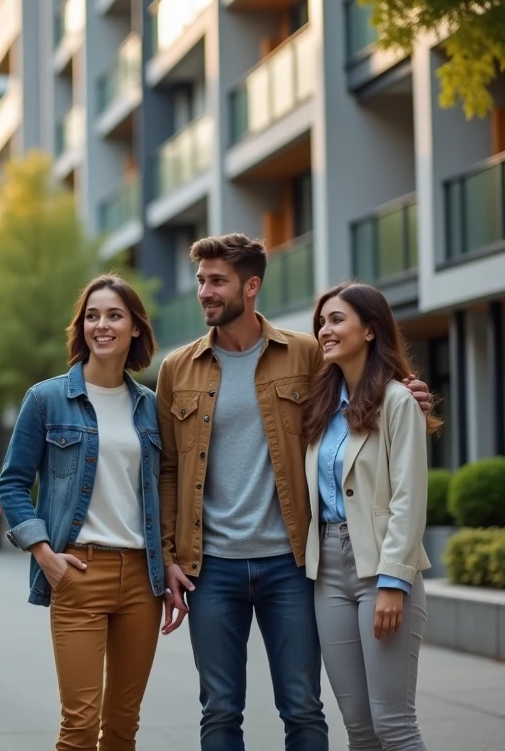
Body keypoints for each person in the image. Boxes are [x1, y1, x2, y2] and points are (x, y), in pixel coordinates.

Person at [155, 234, 432, 751]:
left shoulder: (306, 354)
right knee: (218, 710)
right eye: (201, 281)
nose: (205, 292)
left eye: (217, 281)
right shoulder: (177, 369)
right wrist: (170, 555)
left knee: (304, 706)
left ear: (251, 285)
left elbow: (368, 383)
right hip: (211, 566)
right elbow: (169, 468)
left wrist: (408, 390)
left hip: (293, 561)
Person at [0, 274, 166, 751]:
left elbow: (167, 489)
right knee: (79, 726)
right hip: (78, 570)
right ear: (82, 327)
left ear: (135, 327)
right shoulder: (47, 399)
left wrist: (172, 563)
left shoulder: (151, 407)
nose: (102, 325)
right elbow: (12, 483)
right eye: (92, 316)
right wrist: (46, 555)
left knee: (122, 726)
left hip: (141, 578)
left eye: (114, 315)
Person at [303, 282, 439, 751]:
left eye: (336, 320)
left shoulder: (399, 401)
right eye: (321, 321)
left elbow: (408, 498)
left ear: (370, 330)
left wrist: (393, 584)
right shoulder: (320, 405)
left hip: (381, 569)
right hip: (329, 571)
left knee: (393, 724)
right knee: (359, 728)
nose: (324, 329)